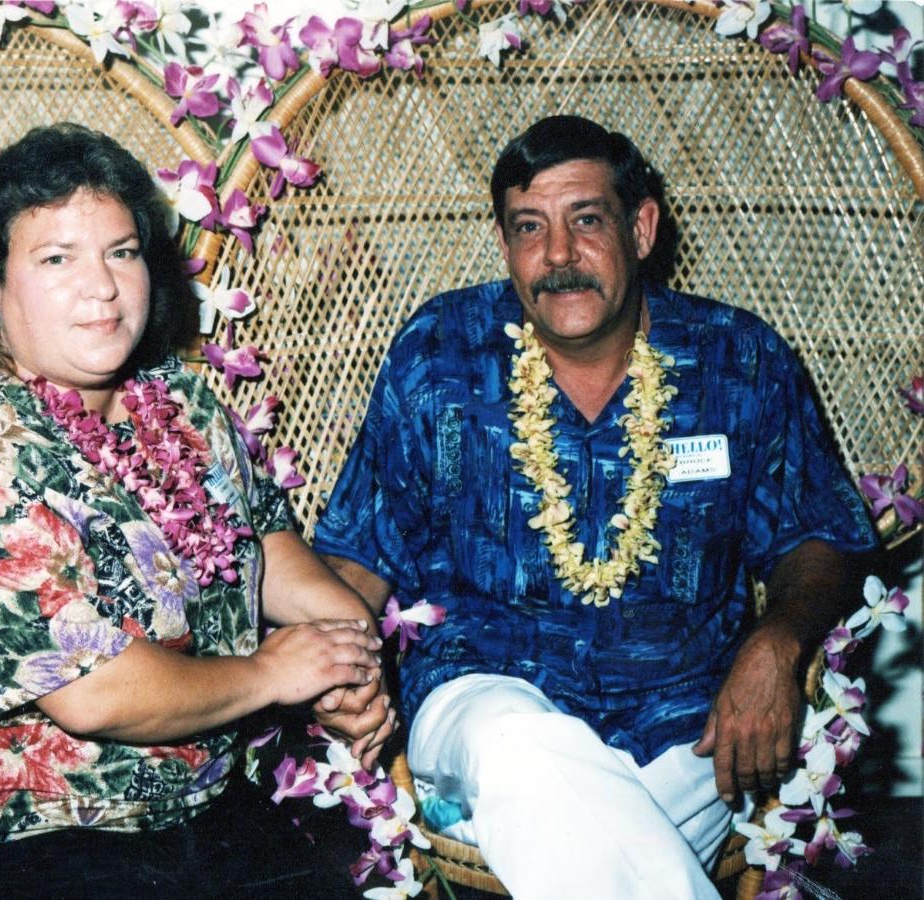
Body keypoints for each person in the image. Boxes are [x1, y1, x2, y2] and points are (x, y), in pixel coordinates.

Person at [313, 115, 877, 898]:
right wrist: (335, 663)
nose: (557, 255)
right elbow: (360, 551)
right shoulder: (440, 353)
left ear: (640, 229)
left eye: (585, 220)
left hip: (689, 725)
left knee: (588, 833)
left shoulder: (738, 359)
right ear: (504, 243)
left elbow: (821, 536)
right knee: (521, 749)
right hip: (478, 705)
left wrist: (778, 643)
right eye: (528, 227)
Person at [0, 123, 393, 898]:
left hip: (193, 809)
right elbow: (95, 693)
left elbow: (264, 546)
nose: (101, 287)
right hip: (13, 835)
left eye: (121, 252)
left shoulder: (181, 400)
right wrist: (274, 673)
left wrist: (351, 653)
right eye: (57, 258)